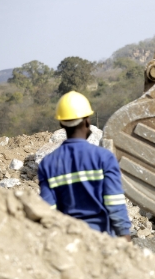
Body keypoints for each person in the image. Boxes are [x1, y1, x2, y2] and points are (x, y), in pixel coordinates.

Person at [38, 91, 132, 240]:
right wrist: (125, 236)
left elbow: (47, 209)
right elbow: (114, 202)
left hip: (68, 242)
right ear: (87, 121)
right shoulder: (104, 158)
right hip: (101, 239)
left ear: (62, 123)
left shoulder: (47, 164)